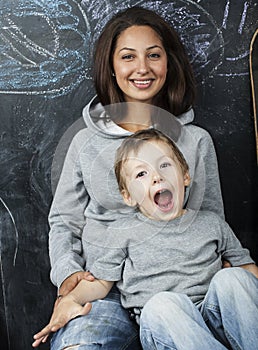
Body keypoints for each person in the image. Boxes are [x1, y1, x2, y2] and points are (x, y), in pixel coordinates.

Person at [38, 5, 226, 349]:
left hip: (179, 289)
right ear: (111, 66)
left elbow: (211, 219)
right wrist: (68, 276)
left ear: (168, 64)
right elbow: (64, 221)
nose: (142, 68)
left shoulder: (195, 141)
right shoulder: (85, 142)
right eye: (128, 57)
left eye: (154, 55)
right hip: (104, 288)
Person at [33, 129, 258, 349]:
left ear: (185, 176)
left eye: (165, 166)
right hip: (164, 328)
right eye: (142, 174)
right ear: (128, 196)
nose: (157, 177)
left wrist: (241, 278)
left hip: (212, 315)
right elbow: (101, 283)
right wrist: (71, 300)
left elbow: (246, 268)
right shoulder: (123, 233)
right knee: (163, 304)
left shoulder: (212, 223)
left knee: (233, 277)